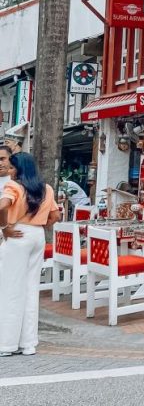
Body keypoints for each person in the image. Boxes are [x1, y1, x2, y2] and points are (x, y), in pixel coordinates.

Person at [0, 152, 60, 356]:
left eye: (12, 167)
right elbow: (56, 215)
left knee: (10, 288)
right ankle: (28, 344)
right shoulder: (47, 188)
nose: (9, 170)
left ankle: (6, 344)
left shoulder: (13, 186)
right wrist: (40, 226)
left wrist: (4, 227)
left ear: (20, 168)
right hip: (37, 235)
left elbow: (2, 205)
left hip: (17, 235)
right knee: (30, 288)